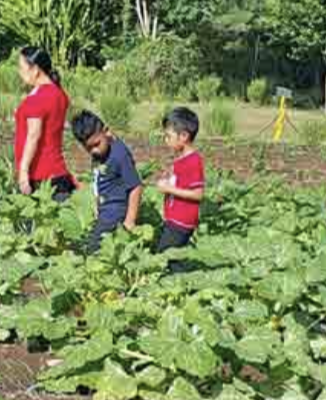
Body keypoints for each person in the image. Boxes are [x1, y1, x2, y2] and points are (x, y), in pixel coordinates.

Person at [72, 110, 142, 254]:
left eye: (96, 144)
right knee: (97, 246)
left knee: (92, 248)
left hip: (116, 211)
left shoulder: (120, 155)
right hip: (105, 209)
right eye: (88, 148)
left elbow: (136, 187)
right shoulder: (100, 152)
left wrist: (130, 221)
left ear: (106, 131)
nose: (94, 151)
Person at [13, 47, 76, 201]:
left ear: (35, 70)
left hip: (40, 176)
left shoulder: (38, 99)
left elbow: (34, 135)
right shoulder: (59, 94)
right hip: (58, 172)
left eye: (22, 68)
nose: (19, 72)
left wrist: (23, 171)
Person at [155, 107, 205, 254]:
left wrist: (169, 189)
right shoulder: (181, 159)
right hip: (173, 220)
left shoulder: (193, 161)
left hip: (182, 223)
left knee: (165, 258)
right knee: (171, 258)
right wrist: (169, 178)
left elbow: (198, 194)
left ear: (183, 136)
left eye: (168, 136)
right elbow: (182, 182)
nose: (166, 140)